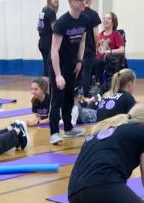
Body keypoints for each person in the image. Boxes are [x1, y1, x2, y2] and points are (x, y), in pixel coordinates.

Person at [49, 0, 92, 145]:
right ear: (71, 2)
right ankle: (54, 132)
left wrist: (80, 61)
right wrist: (58, 75)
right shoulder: (62, 23)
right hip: (58, 65)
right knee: (57, 99)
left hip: (72, 65)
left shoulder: (84, 19)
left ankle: (68, 128)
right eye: (80, 0)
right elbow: (54, 50)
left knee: (69, 97)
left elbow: (82, 42)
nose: (83, 2)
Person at [89, 12, 125, 92]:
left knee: (97, 61)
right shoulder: (100, 35)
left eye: (108, 18)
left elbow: (122, 49)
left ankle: (98, 83)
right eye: (104, 18)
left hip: (108, 59)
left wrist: (109, 51)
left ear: (113, 22)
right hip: (98, 56)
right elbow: (96, 49)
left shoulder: (116, 34)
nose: (105, 20)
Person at [80, 0, 101, 98]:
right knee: (87, 72)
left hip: (76, 47)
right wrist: (98, 46)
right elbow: (96, 34)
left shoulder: (77, 13)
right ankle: (85, 95)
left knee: (77, 70)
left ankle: (74, 92)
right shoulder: (93, 14)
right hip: (89, 47)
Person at [37, 0, 59, 77]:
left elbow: (39, 27)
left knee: (46, 67)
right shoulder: (50, 12)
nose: (56, 0)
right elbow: (55, 29)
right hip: (47, 42)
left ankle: (46, 86)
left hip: (42, 42)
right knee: (49, 68)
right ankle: (48, 86)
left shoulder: (44, 10)